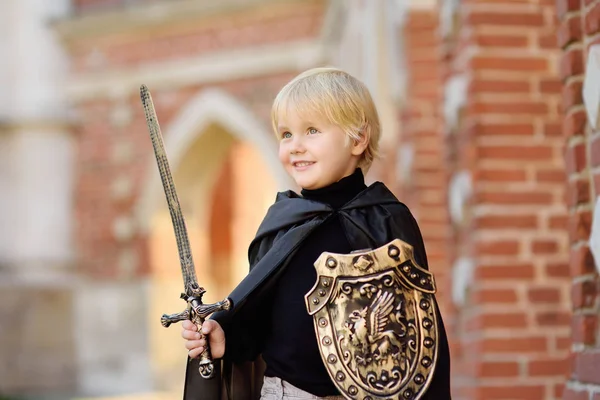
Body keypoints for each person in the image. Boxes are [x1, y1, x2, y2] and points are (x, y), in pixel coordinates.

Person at [180, 67, 451, 400]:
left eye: (311, 131)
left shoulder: (386, 220)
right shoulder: (282, 222)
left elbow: (418, 334)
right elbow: (256, 316)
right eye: (286, 135)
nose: (295, 146)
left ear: (358, 139)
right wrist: (225, 333)